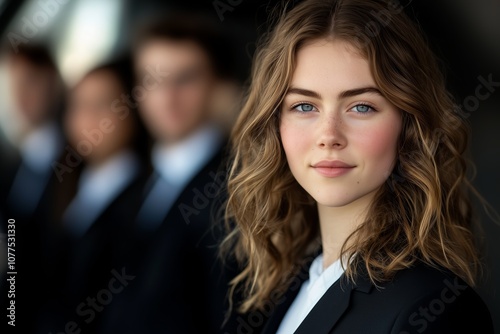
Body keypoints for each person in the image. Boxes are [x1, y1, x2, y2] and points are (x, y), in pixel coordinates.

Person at [221, 0, 494, 333]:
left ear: (409, 127)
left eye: (361, 107)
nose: (329, 136)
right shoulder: (291, 286)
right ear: (275, 123)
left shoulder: (434, 310)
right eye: (305, 105)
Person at [101, 13, 237, 334]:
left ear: (216, 84)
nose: (166, 97)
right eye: (152, 80)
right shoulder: (136, 181)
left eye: (185, 79)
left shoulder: (234, 191)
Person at [36, 57, 149, 333]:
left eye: (102, 105)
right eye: (78, 104)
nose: (87, 117)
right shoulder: (61, 182)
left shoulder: (143, 201)